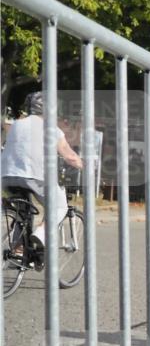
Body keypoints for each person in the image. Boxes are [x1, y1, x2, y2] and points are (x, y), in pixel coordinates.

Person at [2, 92, 83, 261]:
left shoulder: (16, 124)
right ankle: (41, 233)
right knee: (59, 206)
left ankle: (18, 250)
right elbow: (69, 156)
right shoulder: (52, 129)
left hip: (6, 176)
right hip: (34, 176)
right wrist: (85, 166)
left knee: (23, 212)